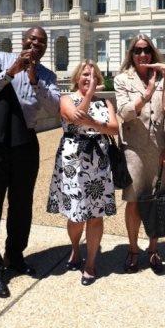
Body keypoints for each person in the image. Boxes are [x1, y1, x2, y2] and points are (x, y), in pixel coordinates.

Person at [0, 26, 60, 298]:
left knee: (21, 205)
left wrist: (34, 79)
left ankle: (15, 256)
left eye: (42, 42)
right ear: (23, 40)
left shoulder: (47, 75)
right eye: (32, 39)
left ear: (46, 47)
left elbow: (54, 109)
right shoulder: (0, 58)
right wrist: (12, 70)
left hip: (24, 142)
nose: (36, 44)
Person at [47, 60, 118, 286]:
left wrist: (95, 123)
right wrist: (88, 99)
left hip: (98, 160)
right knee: (76, 215)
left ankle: (91, 263)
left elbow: (114, 129)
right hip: (73, 161)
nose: (89, 78)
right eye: (85, 74)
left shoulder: (106, 102)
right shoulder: (66, 98)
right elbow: (76, 118)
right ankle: (76, 249)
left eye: (94, 75)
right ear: (77, 77)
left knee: (95, 215)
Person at [114, 34, 165, 274]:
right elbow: (124, 112)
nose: (142, 55)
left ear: (152, 53)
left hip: (159, 148)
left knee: (159, 199)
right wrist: (147, 93)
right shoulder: (122, 79)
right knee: (134, 201)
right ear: (131, 54)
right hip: (134, 148)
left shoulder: (162, 78)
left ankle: (153, 248)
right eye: (137, 50)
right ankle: (132, 249)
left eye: (146, 50)